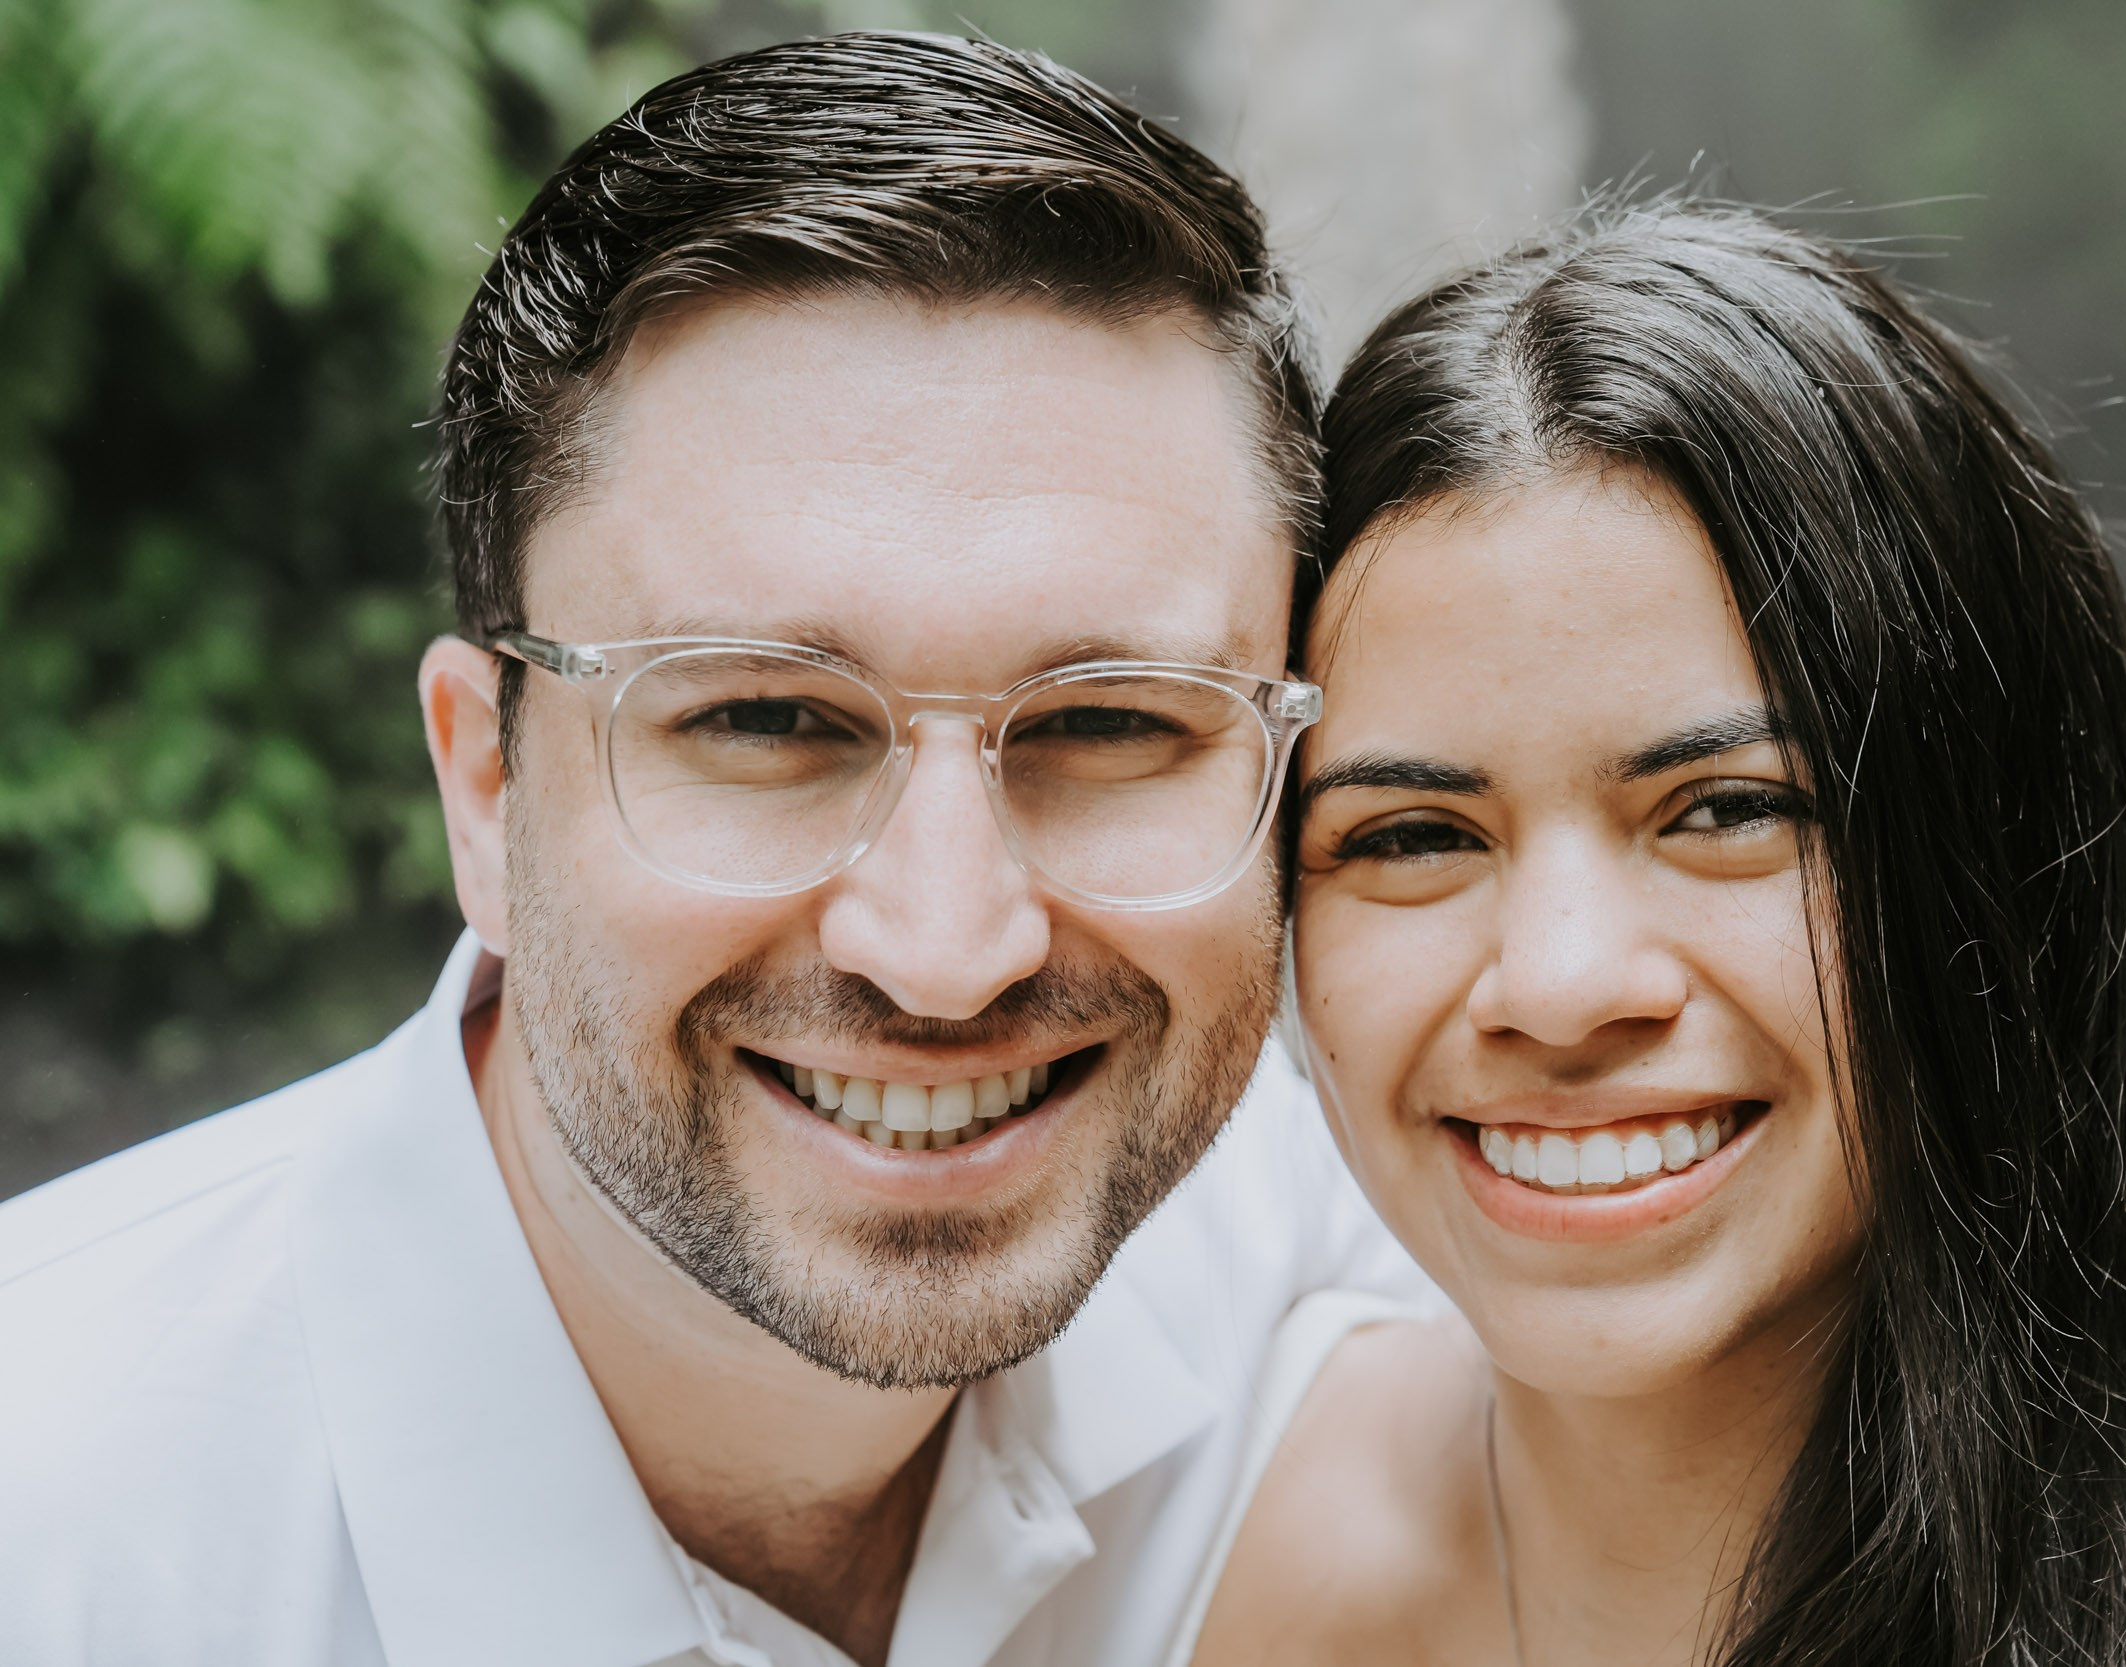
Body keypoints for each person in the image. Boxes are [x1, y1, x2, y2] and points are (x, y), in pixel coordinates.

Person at [0, 34, 1423, 1667]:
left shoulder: (1348, 1254)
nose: (948, 946)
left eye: (1111, 724)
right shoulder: (50, 1536)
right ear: (484, 787)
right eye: (764, 721)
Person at [1174, 200, 2126, 1666]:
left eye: (1727, 809)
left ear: (1999, 866)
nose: (1558, 984)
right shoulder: (1151, 1535)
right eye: (1413, 837)